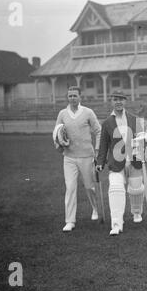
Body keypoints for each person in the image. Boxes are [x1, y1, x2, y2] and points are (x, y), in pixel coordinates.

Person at [96, 90, 144, 236]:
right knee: (115, 190)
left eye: (121, 99)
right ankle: (117, 223)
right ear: (112, 101)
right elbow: (103, 144)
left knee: (136, 189)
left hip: (134, 161)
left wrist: (145, 150)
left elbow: (142, 138)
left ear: (125, 101)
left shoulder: (134, 119)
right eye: (115, 99)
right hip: (115, 164)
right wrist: (100, 162)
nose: (118, 102)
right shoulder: (107, 123)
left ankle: (136, 213)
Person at [53, 86, 101, 232]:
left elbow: (98, 131)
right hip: (69, 157)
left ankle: (95, 208)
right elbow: (57, 133)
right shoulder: (62, 113)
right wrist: (59, 145)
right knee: (70, 188)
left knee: (89, 187)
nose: (72, 98)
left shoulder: (88, 112)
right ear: (67, 98)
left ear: (80, 97)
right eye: (70, 96)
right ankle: (70, 221)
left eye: (75, 95)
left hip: (87, 156)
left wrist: (97, 150)